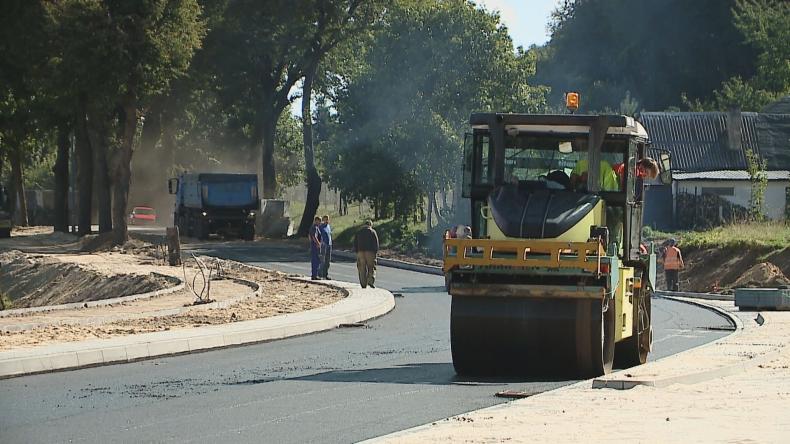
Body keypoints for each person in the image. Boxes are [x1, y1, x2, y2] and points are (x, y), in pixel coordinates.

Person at [354, 220, 379, 288]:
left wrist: (357, 251)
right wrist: (375, 252)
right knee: (371, 267)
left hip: (360, 251)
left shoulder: (359, 232)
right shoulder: (372, 232)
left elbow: (355, 242)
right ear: (370, 225)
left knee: (362, 268)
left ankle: (363, 283)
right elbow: (376, 243)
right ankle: (370, 281)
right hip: (370, 252)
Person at [318, 215, 332, 279]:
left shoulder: (328, 226)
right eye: (325, 219)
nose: (326, 220)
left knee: (328, 261)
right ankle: (320, 274)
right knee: (322, 260)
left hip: (329, 244)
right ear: (323, 220)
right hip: (323, 244)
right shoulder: (320, 226)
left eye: (327, 219)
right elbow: (318, 235)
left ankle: (325, 274)